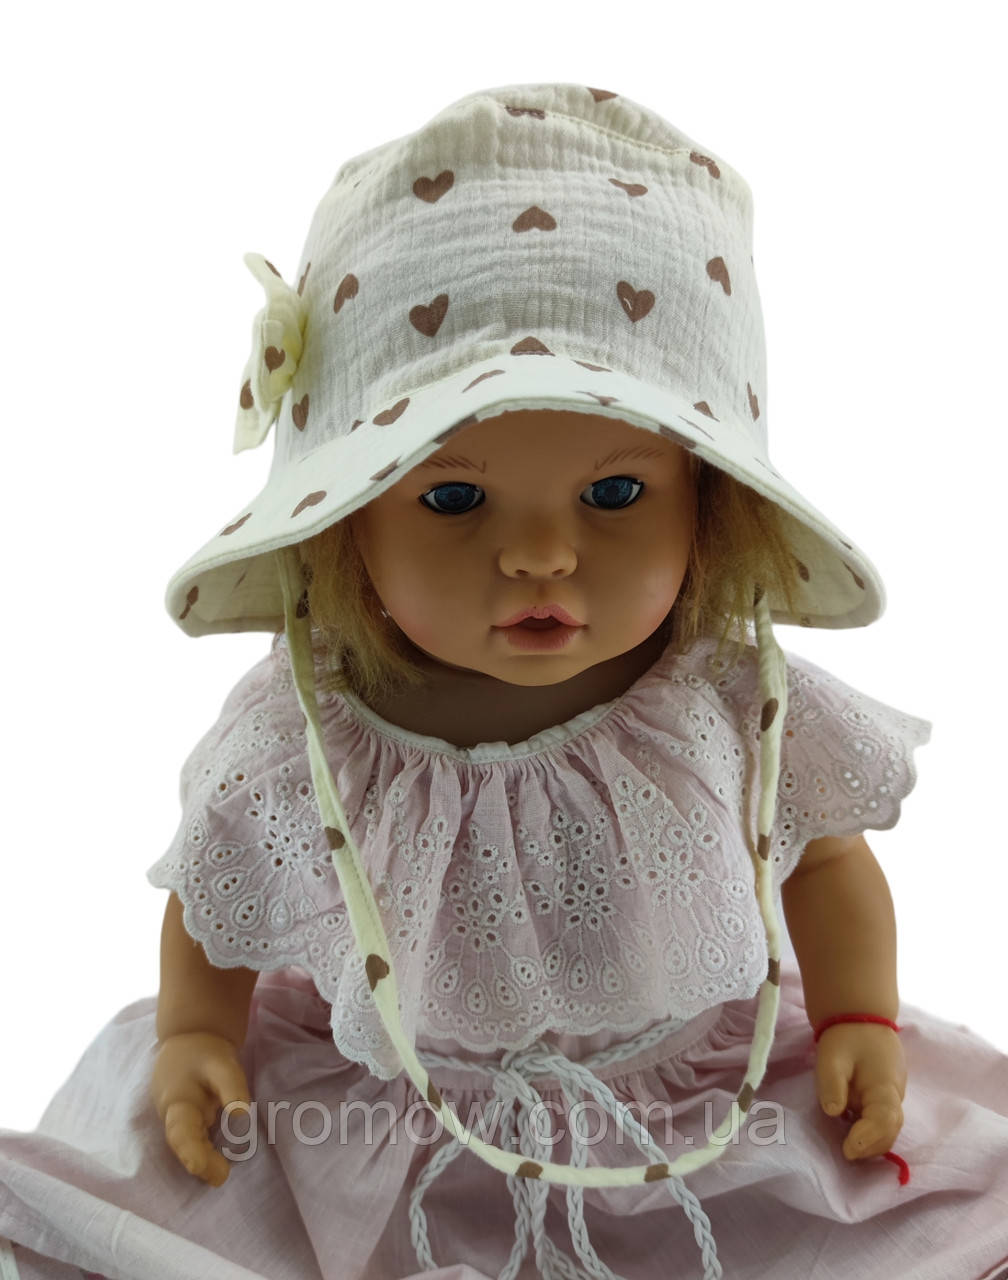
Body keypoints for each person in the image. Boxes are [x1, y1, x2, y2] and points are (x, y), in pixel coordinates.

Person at [1, 81, 1006, 1280]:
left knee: (929, 1218)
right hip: (378, 1120)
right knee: (132, 1222)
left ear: (707, 505)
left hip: (695, 1118)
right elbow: (222, 895)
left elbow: (828, 862)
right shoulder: (309, 735)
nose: (540, 552)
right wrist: (195, 1034)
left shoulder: (726, 699)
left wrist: (857, 1015)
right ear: (348, 522)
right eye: (453, 497)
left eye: (615, 493)